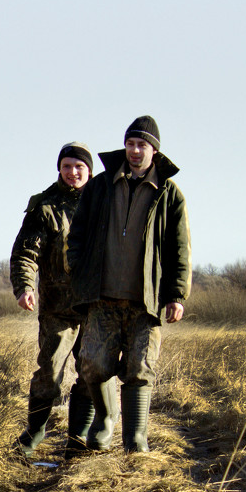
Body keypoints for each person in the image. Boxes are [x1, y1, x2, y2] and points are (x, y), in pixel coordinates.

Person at [66, 116, 191, 452]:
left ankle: (136, 440)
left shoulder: (169, 194)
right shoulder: (101, 185)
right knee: (92, 362)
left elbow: (180, 249)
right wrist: (77, 269)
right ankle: (105, 420)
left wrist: (176, 295)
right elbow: (76, 234)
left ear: (154, 150)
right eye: (131, 144)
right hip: (101, 296)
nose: (135, 151)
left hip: (145, 300)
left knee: (140, 368)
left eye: (142, 145)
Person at [10, 142, 118, 457]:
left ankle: (78, 440)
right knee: (49, 372)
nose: (72, 173)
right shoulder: (44, 206)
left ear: (89, 171)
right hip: (57, 307)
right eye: (67, 166)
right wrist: (24, 286)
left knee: (90, 373)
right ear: (59, 168)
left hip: (96, 307)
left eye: (79, 167)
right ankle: (33, 435)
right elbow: (26, 252)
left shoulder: (106, 204)